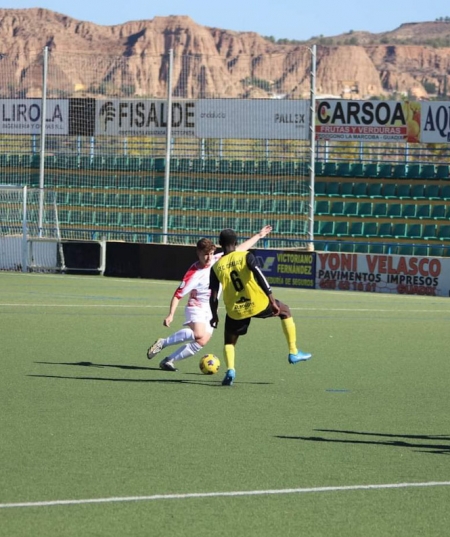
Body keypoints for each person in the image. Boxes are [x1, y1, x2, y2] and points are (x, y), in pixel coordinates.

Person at [147, 225, 272, 371]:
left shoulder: (217, 260)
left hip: (211, 308)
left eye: (211, 253)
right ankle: (163, 342)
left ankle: (169, 361)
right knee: (198, 333)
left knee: (202, 340)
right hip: (196, 306)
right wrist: (171, 315)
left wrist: (259, 235)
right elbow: (178, 294)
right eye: (205, 254)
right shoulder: (193, 273)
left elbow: (240, 250)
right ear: (198, 253)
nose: (209, 257)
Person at [209, 228, 312, 386]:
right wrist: (271, 299)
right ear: (236, 243)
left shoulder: (216, 267)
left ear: (220, 244)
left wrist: (214, 315)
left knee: (229, 342)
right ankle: (293, 351)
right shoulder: (246, 256)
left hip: (235, 310)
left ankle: (230, 370)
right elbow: (260, 276)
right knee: (285, 310)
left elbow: (214, 297)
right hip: (258, 303)